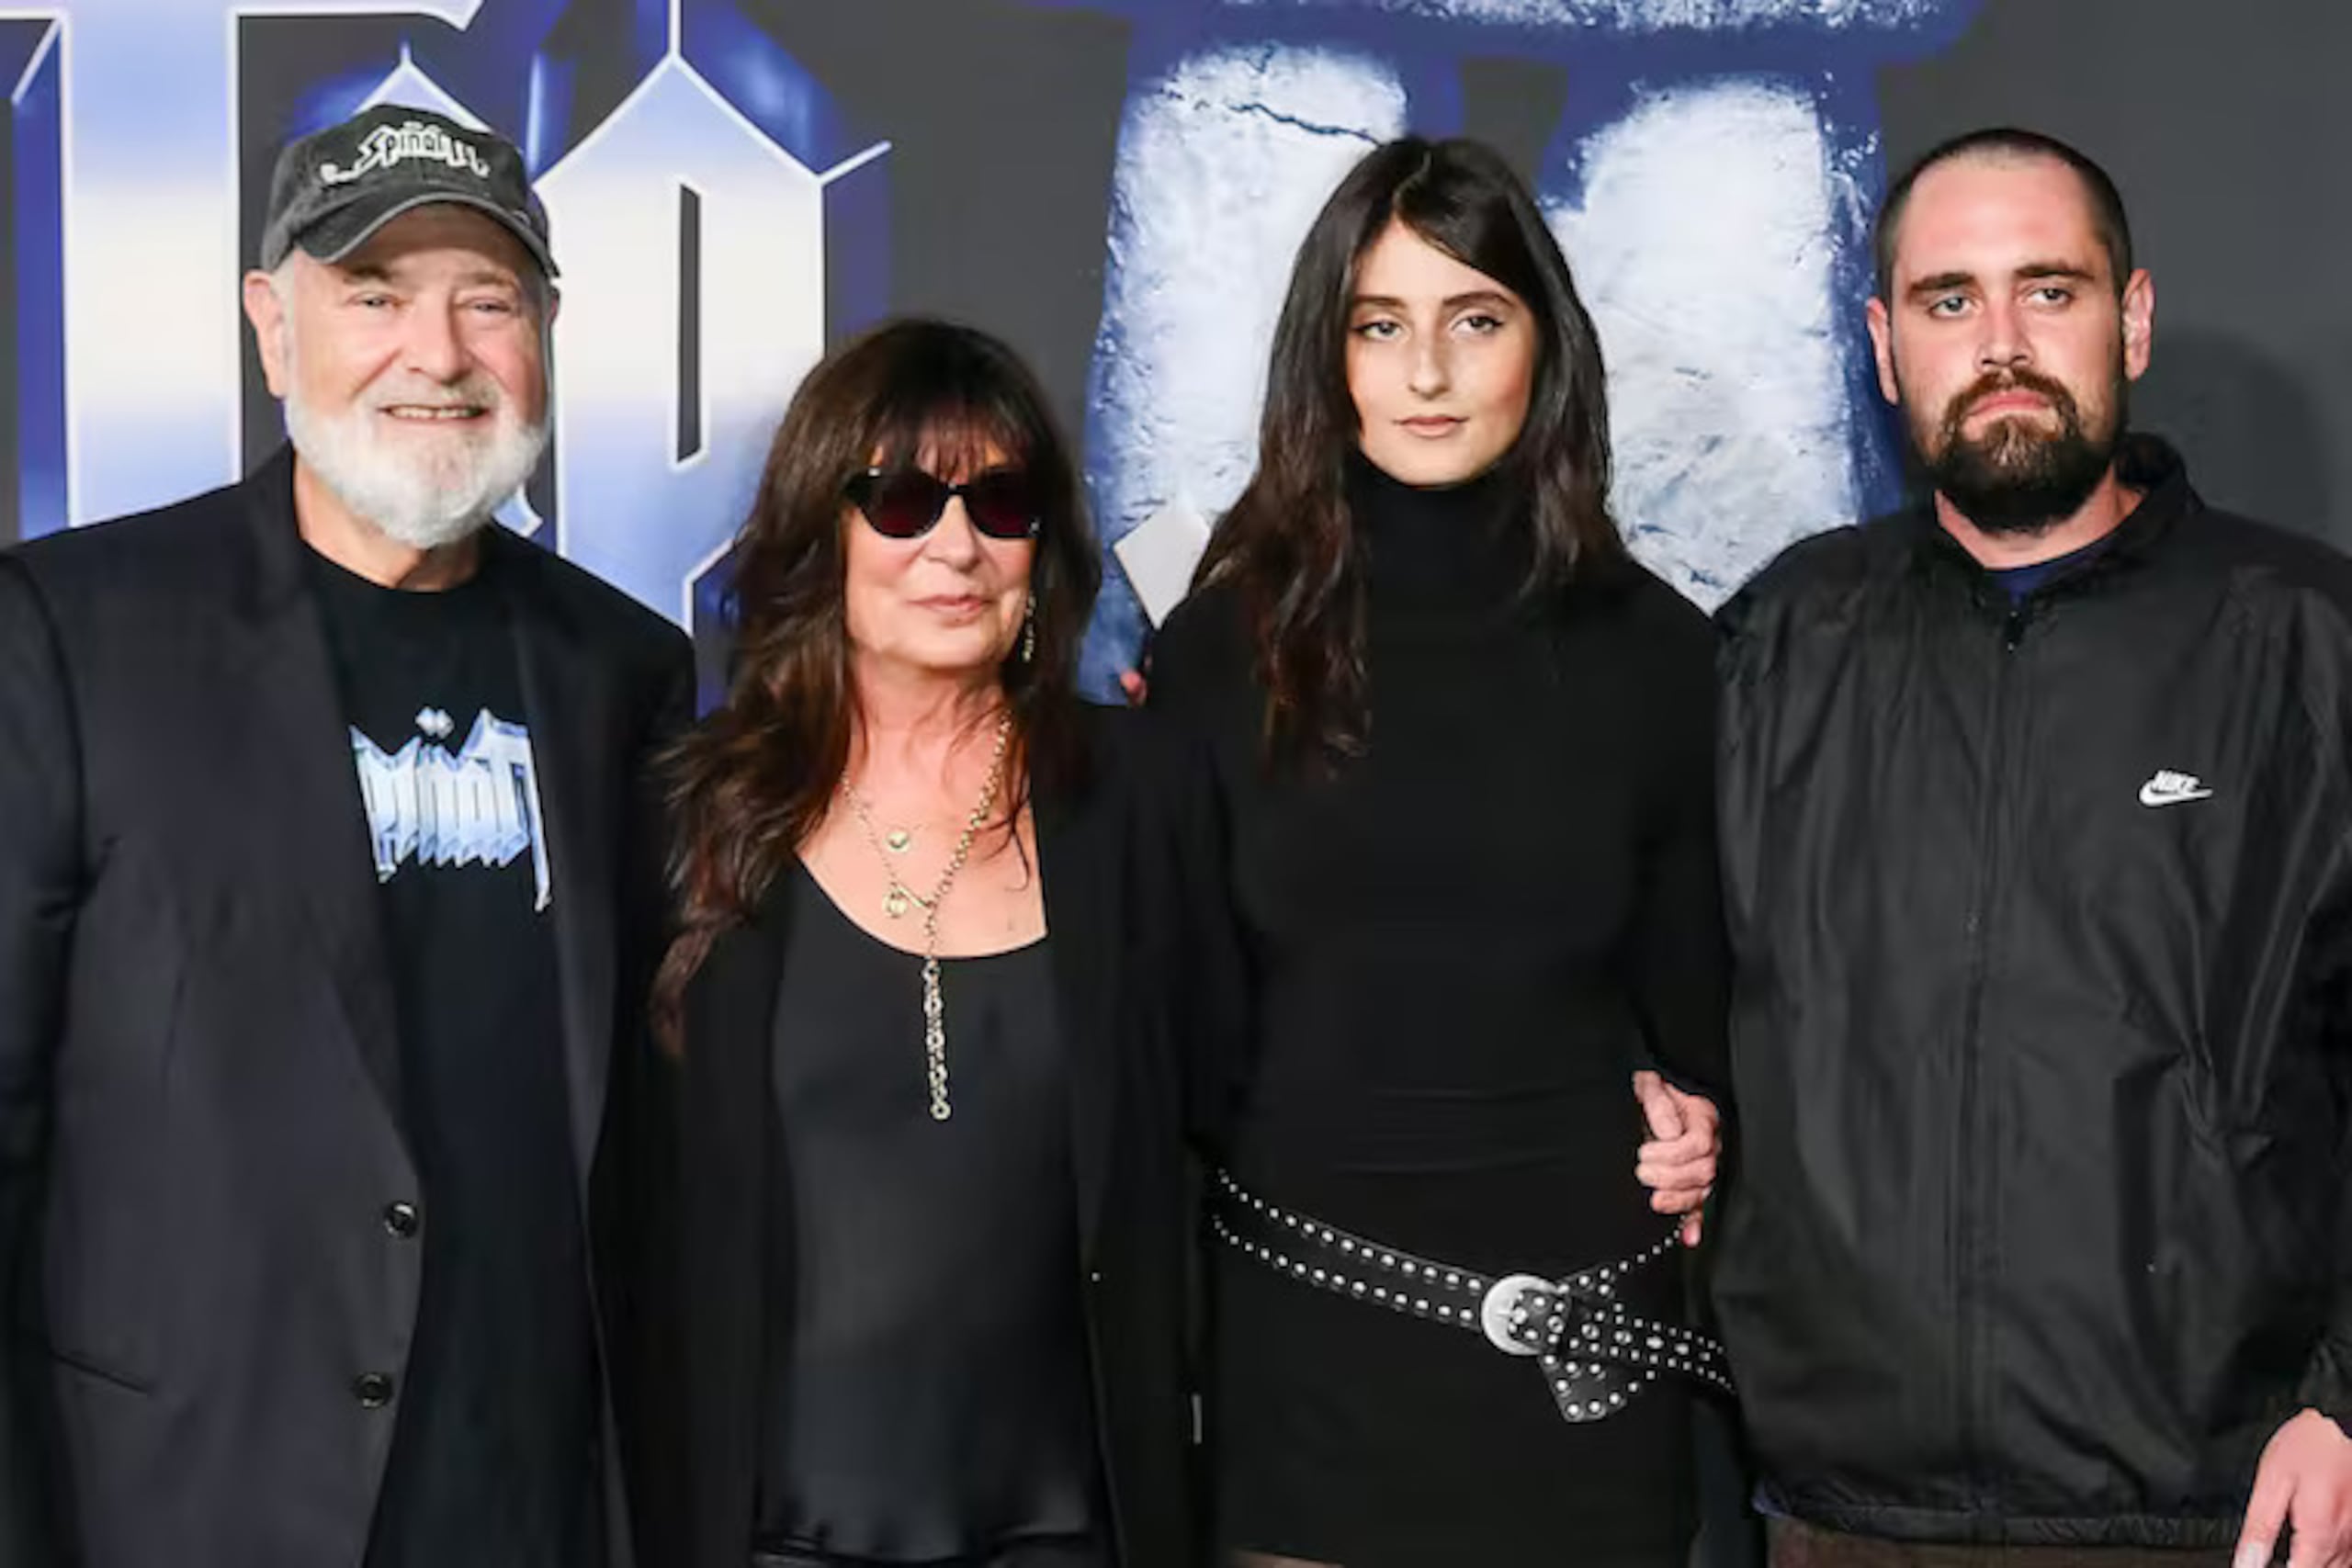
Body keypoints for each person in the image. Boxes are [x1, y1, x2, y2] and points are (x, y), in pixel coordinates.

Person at [0, 104, 693, 1568]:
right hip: (187, 1508)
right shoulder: (71, 633)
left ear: (546, 328)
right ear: (272, 324)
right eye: (374, 296)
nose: (436, 355)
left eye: (486, 301)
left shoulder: (619, 672)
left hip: (533, 1508)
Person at [1713, 126, 2352, 1568]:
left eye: (2047, 291)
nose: (1999, 342)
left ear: (2130, 317)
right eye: (1949, 301)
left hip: (2223, 1514)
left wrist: (2350, 1409)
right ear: (1885, 347)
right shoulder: (1777, 650)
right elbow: (1669, 1001)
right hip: (1844, 1522)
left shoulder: (2308, 643)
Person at [1142, 134, 1729, 1568]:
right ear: (1327, 357)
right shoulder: (1224, 654)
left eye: (1475, 320)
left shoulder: (1661, 655)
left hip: (1588, 1347)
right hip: (1309, 1346)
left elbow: (1704, 1009)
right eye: (1380, 325)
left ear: (1545, 346)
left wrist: (1714, 1133)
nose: (1426, 374)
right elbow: (1176, 1046)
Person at [651, 318, 1193, 1568]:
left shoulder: (1139, 801)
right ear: (819, 529)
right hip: (778, 1536)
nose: (956, 545)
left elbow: (1269, 1084)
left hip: (1069, 1536)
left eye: (999, 503)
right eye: (901, 501)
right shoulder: (692, 816)